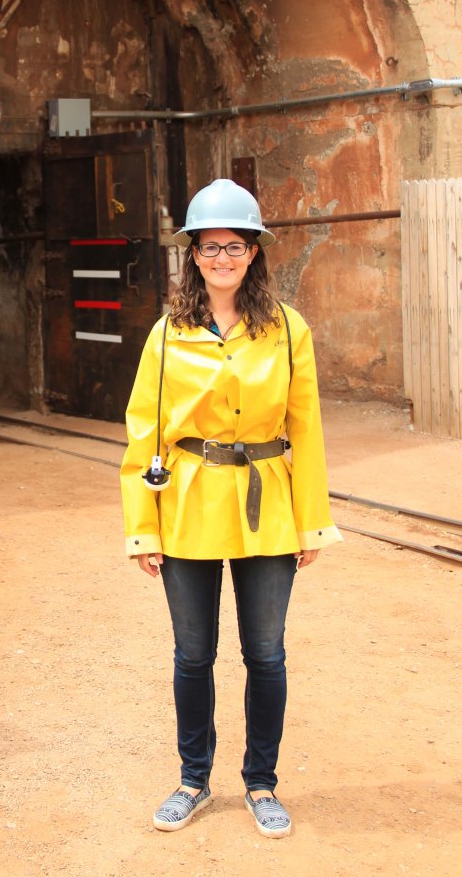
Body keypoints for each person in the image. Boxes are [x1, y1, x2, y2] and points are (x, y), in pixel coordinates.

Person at [120, 178, 341, 839]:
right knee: (193, 655)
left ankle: (261, 782)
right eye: (210, 246)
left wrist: (311, 520)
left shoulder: (287, 330)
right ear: (193, 255)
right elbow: (144, 433)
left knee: (266, 654)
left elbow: (307, 429)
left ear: (253, 253)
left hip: (266, 505)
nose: (221, 257)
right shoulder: (168, 335)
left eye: (235, 245)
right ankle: (193, 780)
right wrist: (143, 528)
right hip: (187, 504)